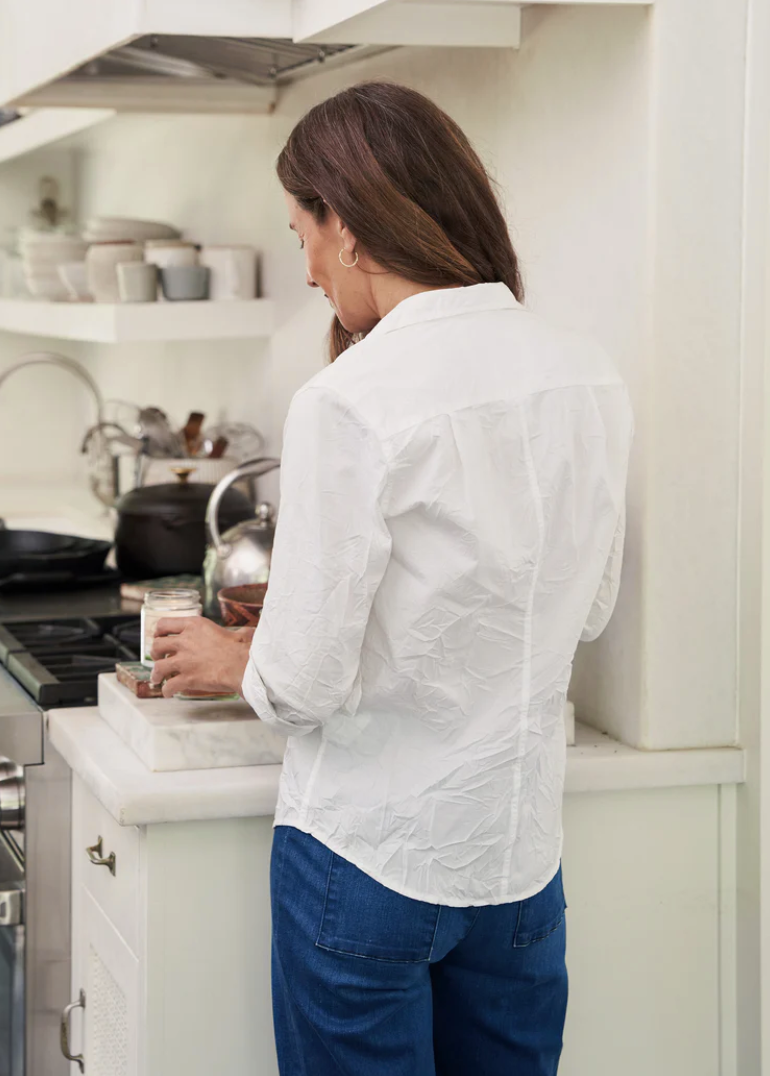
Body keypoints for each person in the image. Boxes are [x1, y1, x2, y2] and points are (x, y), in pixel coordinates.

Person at [150, 80, 633, 1076]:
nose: (313, 272)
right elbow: (584, 609)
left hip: (367, 861)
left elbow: (300, 686)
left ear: (352, 227)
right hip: (515, 865)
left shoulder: (350, 398)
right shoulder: (586, 373)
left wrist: (239, 654)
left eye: (304, 236)